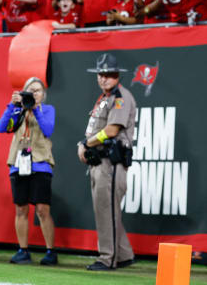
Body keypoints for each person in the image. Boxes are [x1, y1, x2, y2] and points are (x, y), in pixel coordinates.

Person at [76, 53, 136, 271]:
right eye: (100, 74)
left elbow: (111, 130)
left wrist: (86, 143)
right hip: (100, 163)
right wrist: (87, 144)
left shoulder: (120, 97)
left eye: (108, 74)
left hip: (111, 163)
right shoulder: (104, 98)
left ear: (117, 75)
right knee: (108, 211)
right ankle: (124, 254)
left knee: (106, 211)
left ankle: (107, 258)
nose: (103, 78)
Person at [0, 77, 57, 265]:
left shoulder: (47, 110)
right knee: (21, 208)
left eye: (38, 90)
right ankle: (23, 250)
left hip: (40, 163)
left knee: (42, 209)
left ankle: (50, 251)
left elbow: (48, 129)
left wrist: (35, 110)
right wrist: (12, 106)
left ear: (43, 95)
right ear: (24, 93)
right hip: (18, 163)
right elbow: (1, 128)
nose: (34, 93)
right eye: (30, 90)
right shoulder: (18, 110)